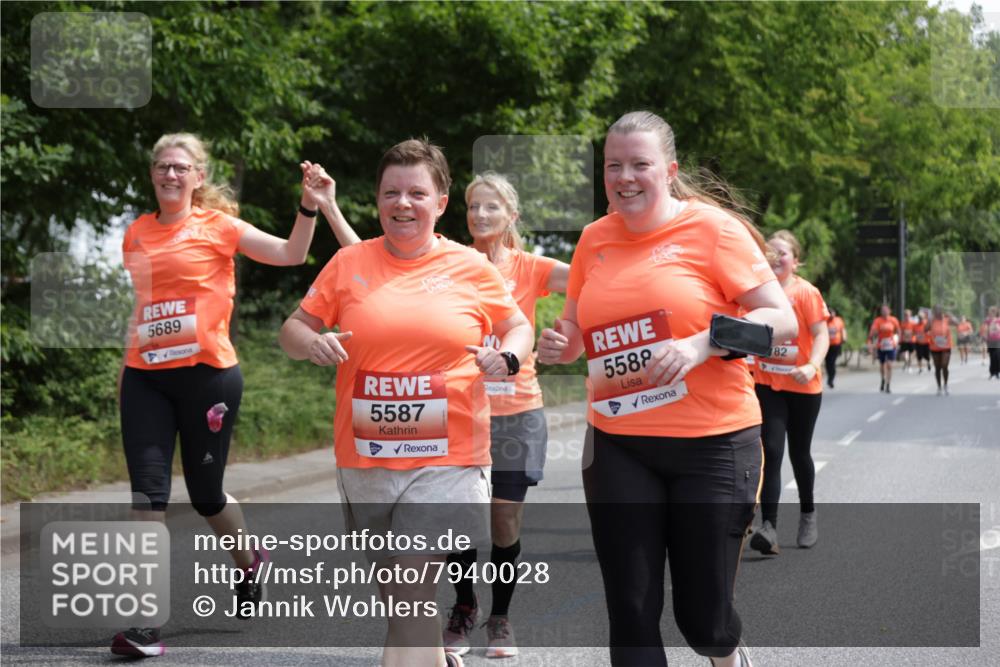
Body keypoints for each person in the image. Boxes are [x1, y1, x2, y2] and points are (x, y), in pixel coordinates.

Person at [537, 111, 797, 667]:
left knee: (703, 621)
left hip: (714, 442)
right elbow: (577, 328)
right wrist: (561, 345)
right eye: (613, 165)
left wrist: (701, 344)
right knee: (631, 611)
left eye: (639, 164)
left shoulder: (713, 230)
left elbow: (783, 321)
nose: (624, 177)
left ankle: (725, 653)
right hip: (618, 443)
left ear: (670, 170)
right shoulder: (593, 239)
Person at [279, 139, 533, 667]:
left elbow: (517, 326)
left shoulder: (469, 266)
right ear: (377, 200)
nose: (403, 203)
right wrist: (312, 343)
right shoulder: (349, 263)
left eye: (417, 192)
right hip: (366, 459)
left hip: (449, 457)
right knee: (400, 603)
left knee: (413, 587)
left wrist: (506, 358)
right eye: (391, 192)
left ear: (440, 202)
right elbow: (293, 328)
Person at [113, 133, 325, 657]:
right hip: (146, 378)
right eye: (162, 166)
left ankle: (249, 558)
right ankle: (143, 625)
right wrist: (124, 374)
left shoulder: (219, 227)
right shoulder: (136, 233)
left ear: (198, 177)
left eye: (181, 167)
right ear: (153, 174)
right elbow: (142, 309)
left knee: (206, 495)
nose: (170, 174)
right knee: (148, 498)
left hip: (208, 378)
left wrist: (308, 204)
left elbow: (292, 254)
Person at [441, 172, 570, 659]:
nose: (479, 216)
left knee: (503, 523)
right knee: (458, 519)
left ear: (511, 215)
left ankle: (501, 618)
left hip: (517, 412)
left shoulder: (531, 267)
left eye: (490, 207)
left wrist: (572, 334)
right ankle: (464, 605)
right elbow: (376, 259)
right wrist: (328, 209)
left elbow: (592, 279)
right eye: (473, 207)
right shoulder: (451, 261)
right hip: (462, 411)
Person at [749, 231, 829, 554]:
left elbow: (821, 334)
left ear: (795, 262)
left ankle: (808, 514)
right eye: (770, 252)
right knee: (771, 450)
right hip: (769, 385)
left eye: (782, 253)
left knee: (799, 454)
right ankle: (768, 527)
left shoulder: (806, 293)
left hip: (803, 386)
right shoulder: (757, 294)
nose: (775, 257)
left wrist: (811, 365)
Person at [867, 305, 901, 393]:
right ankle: (882, 379)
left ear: (889, 311)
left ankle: (888, 384)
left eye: (886, 310)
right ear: (881, 312)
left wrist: (898, 341)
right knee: (882, 366)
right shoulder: (877, 321)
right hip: (881, 345)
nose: (884, 312)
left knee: (889, 365)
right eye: (883, 310)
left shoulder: (893, 320)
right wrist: (870, 343)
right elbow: (872, 332)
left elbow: (898, 331)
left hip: (891, 345)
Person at [926, 305, 955, 395]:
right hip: (935, 346)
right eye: (936, 311)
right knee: (937, 367)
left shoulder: (946, 319)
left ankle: (946, 385)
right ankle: (939, 387)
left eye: (940, 310)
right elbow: (925, 329)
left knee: (944, 365)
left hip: (946, 346)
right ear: (934, 312)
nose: (938, 312)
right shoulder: (932, 320)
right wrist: (929, 321)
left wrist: (951, 315)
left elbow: (957, 323)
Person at [824, 307, 846, 389]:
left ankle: (831, 380)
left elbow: (842, 330)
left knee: (832, 362)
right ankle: (829, 376)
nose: (830, 314)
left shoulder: (839, 320)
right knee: (827, 363)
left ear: (834, 313)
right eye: (829, 313)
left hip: (836, 345)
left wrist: (844, 337)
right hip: (826, 345)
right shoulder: (825, 320)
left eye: (832, 312)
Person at [899, 308, 916, 373]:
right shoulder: (902, 323)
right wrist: (900, 339)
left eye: (907, 315)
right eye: (905, 315)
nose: (906, 316)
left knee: (911, 354)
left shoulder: (913, 323)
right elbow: (901, 332)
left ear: (910, 315)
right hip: (904, 340)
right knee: (903, 354)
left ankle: (910, 366)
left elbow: (915, 331)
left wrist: (911, 334)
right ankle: (906, 362)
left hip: (911, 340)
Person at [986, 306, 1000, 379]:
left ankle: (997, 372)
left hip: (998, 339)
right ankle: (992, 372)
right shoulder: (988, 320)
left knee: (997, 356)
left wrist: (996, 325)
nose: (992, 313)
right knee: (991, 356)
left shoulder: (998, 320)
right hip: (990, 340)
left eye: (993, 312)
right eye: (991, 312)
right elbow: (987, 329)